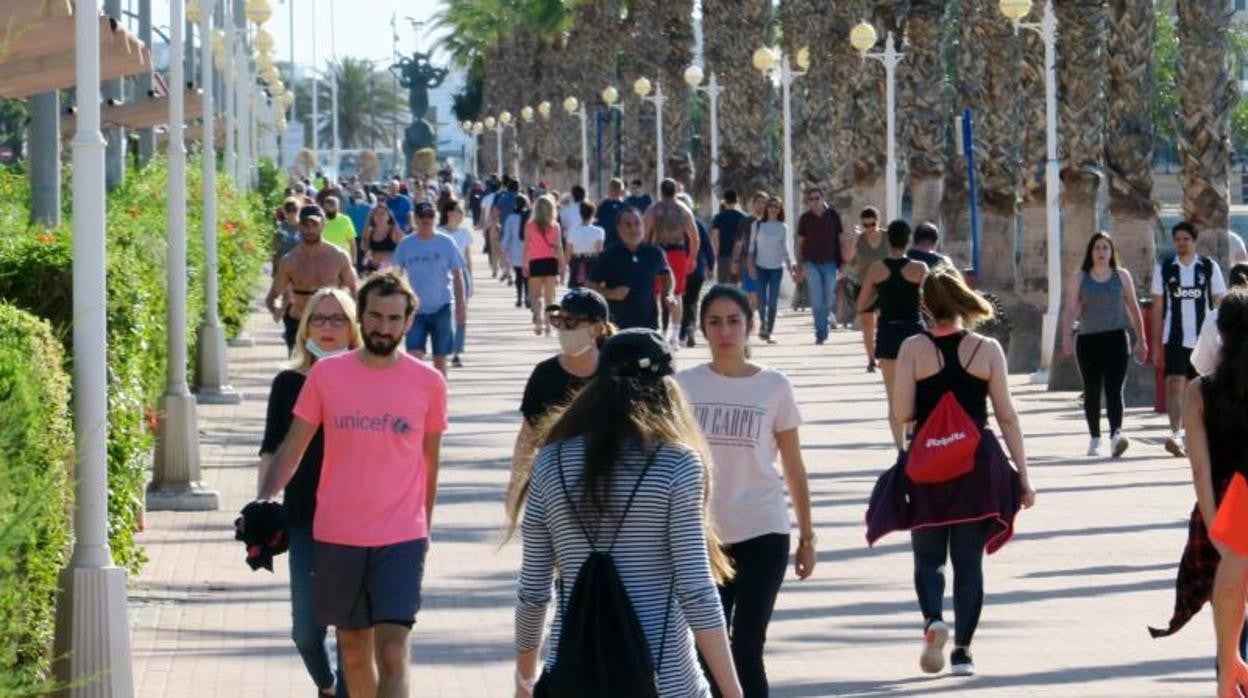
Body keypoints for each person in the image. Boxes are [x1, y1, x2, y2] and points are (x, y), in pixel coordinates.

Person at [510, 328, 743, 698]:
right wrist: (733, 692)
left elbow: (534, 591)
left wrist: (524, 681)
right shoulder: (677, 464)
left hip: (572, 679)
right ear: (668, 387)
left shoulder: (550, 462)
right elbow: (696, 590)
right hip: (666, 683)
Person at [257, 272, 448, 698]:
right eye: (376, 316)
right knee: (354, 650)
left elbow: (430, 462)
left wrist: (424, 529)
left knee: (394, 650)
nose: (384, 327)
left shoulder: (429, 382)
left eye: (394, 318)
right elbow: (293, 447)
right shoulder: (326, 377)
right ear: (361, 317)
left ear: (408, 322)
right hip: (337, 535)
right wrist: (263, 501)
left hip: (401, 536)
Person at [866, 268, 1036, 678]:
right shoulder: (988, 348)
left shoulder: (913, 348)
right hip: (977, 467)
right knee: (969, 564)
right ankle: (962, 652)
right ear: (963, 301)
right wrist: (1024, 475)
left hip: (929, 465)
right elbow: (1007, 417)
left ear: (925, 305)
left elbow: (903, 413)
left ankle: (932, 622)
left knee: (928, 558)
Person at [678, 285, 815, 696]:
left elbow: (793, 466)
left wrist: (807, 536)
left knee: (747, 646)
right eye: (715, 322)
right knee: (706, 651)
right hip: (703, 538)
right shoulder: (681, 386)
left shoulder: (774, 386)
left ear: (749, 326)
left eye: (734, 321)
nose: (725, 331)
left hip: (763, 530)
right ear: (702, 328)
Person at [258, 287, 363, 698]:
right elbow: (271, 447)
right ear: (304, 329)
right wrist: (261, 506)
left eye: (338, 319)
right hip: (304, 520)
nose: (328, 327)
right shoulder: (288, 383)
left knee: (352, 630)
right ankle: (327, 684)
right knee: (306, 631)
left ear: (353, 328)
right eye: (319, 319)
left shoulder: (366, 380)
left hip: (357, 524)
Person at [1179, 290, 1248, 697]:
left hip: (1224, 503)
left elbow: (1200, 468)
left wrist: (1213, 523)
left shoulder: (1198, 391)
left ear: (1220, 335)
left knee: (1229, 592)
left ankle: (1228, 669)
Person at [507, 289, 615, 512]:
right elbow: (528, 435)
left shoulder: (617, 373)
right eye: (560, 321)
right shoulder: (545, 374)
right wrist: (516, 486)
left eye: (572, 322)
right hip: (556, 488)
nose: (563, 329)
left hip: (611, 487)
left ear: (596, 328)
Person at [1060, 232, 1149, 458]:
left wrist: (1142, 339)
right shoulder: (1081, 278)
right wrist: (1066, 337)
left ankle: (1116, 435)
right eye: (1097, 248)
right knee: (1091, 390)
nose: (1101, 252)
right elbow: (1070, 309)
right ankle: (1095, 438)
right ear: (1091, 252)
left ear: (1111, 252)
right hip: (1089, 340)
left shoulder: (1121, 276)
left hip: (1117, 339)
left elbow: (1133, 307)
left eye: (1105, 248)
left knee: (1114, 388)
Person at [1151, 221, 1227, 457]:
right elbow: (1157, 307)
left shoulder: (1207, 267)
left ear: (1195, 241)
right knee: (1174, 382)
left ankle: (1202, 435)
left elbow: (1219, 302)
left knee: (1203, 388)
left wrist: (1225, 337)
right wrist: (1155, 344)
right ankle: (1176, 434)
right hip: (1174, 337)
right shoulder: (1165, 268)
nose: (1181, 243)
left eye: (1186, 239)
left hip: (1203, 338)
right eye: (1178, 240)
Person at [857, 220, 929, 451]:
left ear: (888, 241)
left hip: (888, 332)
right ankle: (913, 437)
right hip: (914, 332)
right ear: (909, 240)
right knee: (917, 390)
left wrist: (881, 300)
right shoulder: (920, 269)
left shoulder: (876, 269)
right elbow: (928, 302)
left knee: (893, 395)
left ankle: (900, 450)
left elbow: (861, 305)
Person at [265, 205, 359, 354]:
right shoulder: (290, 260)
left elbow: (354, 291)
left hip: (330, 326)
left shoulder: (338, 256)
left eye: (314, 224)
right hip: (299, 323)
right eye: (305, 225)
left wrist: (353, 320)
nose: (309, 229)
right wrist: (277, 310)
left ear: (323, 225)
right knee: (298, 374)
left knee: (331, 372)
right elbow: (272, 297)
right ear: (299, 226)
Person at [393, 201, 467, 376]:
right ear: (415, 219)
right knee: (414, 357)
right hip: (415, 310)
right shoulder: (406, 244)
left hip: (442, 307)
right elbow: (395, 274)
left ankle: (439, 398)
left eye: (430, 216)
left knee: (440, 359)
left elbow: (458, 275)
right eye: (422, 216)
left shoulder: (446, 243)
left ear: (436, 218)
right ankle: (418, 397)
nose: (426, 220)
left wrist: (461, 305)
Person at [588, 207, 674, 330]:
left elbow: (666, 275)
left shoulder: (654, 253)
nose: (634, 229)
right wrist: (610, 293)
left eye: (637, 224)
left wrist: (668, 294)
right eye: (628, 225)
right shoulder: (609, 255)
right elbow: (590, 285)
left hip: (648, 325)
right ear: (619, 228)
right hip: (617, 326)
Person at [644, 179, 700, 347]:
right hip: (678, 253)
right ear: (676, 190)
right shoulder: (684, 210)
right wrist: (692, 257)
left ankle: (659, 330)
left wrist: (643, 255)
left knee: (655, 293)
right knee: (676, 294)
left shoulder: (654, 210)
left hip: (658, 252)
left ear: (661, 191)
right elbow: (694, 237)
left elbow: (645, 235)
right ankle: (674, 335)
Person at [794, 187, 845, 346]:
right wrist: (799, 265)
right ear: (807, 202)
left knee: (828, 297)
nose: (815, 202)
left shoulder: (833, 216)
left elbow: (841, 239)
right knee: (816, 299)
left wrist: (842, 262)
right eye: (811, 199)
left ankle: (826, 320)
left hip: (830, 262)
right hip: (811, 262)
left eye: (817, 198)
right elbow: (800, 243)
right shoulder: (805, 219)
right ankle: (820, 333)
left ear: (823, 198)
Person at [843, 207, 889, 372]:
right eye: (866, 225)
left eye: (872, 224)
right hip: (864, 285)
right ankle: (871, 359)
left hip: (885, 285)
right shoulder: (860, 239)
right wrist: (854, 240)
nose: (869, 227)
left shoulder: (887, 237)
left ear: (879, 221)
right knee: (868, 323)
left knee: (885, 323)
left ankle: (884, 355)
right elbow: (847, 258)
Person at [747, 196, 796, 344]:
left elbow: (785, 248)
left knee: (773, 301)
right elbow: (751, 246)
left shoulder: (782, 227)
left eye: (777, 206)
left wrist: (790, 265)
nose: (773, 209)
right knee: (761, 299)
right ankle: (763, 324)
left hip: (776, 268)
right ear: (767, 207)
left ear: (780, 209)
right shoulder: (757, 225)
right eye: (771, 206)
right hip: (760, 266)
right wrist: (750, 265)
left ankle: (769, 330)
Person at [1192, 263, 1248, 375]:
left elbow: (1200, 364)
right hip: (1226, 384)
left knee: (1196, 386)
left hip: (1222, 385)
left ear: (1229, 284)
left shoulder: (1213, 317)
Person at [438, 199, 475, 368]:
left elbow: (467, 258)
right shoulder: (438, 233)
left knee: (461, 314)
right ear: (449, 213)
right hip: (443, 276)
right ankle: (445, 348)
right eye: (459, 211)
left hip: (462, 275)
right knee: (446, 314)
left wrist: (470, 280)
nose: (462, 214)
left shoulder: (465, 233)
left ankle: (457, 351)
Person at [525, 195, 567, 336]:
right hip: (550, 262)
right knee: (550, 297)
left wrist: (525, 263)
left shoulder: (529, 226)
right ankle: (549, 326)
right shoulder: (555, 226)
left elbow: (526, 247)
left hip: (535, 262)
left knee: (536, 296)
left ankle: (538, 321)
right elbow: (559, 247)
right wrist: (562, 266)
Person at [677, 193, 715, 348]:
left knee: (679, 300)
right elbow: (707, 246)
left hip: (678, 270)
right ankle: (689, 329)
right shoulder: (697, 224)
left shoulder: (670, 227)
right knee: (691, 302)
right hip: (696, 269)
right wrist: (711, 265)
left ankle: (680, 332)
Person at [733, 191, 770, 316]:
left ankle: (761, 317)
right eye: (759, 202)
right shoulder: (745, 221)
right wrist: (735, 261)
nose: (761, 205)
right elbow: (739, 242)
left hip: (767, 261)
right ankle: (752, 317)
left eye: (764, 203)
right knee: (750, 292)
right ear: (753, 204)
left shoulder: (771, 222)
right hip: (749, 261)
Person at [711, 190, 748, 284]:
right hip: (740, 257)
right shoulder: (743, 217)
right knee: (738, 287)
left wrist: (716, 255)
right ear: (736, 201)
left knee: (723, 287)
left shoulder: (718, 218)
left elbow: (715, 237)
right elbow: (744, 238)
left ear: (724, 201)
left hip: (723, 255)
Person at [565, 200, 604, 288]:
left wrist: (564, 268)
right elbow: (599, 252)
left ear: (580, 214)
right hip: (592, 263)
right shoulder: (599, 231)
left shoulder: (572, 230)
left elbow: (568, 252)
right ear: (593, 214)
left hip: (576, 262)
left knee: (576, 290)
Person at [502, 194, 531, 309]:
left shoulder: (511, 218)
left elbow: (507, 235)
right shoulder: (529, 217)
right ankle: (527, 297)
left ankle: (519, 298)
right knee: (527, 276)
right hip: (528, 250)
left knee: (518, 274)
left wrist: (504, 248)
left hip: (515, 250)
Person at [361, 203, 403, 272]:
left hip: (390, 270)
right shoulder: (369, 232)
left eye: (383, 214)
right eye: (376, 214)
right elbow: (365, 249)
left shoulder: (395, 231)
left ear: (388, 216)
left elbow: (404, 251)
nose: (379, 216)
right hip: (373, 270)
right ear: (373, 217)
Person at [596, 177, 628, 248]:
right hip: (620, 242)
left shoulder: (603, 205)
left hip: (607, 242)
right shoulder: (625, 206)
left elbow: (597, 221)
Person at [274, 197, 303, 270]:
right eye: (288, 209)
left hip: (299, 264)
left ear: (298, 210)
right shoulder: (281, 227)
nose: (292, 212)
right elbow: (275, 248)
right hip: (283, 264)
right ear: (284, 211)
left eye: (294, 209)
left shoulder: (304, 227)